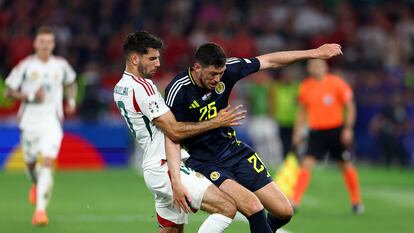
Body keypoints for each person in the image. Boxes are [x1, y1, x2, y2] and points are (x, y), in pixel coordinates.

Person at [165, 42, 342, 233]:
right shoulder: (178, 90)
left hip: (233, 150)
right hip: (203, 161)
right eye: (212, 74)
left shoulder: (229, 69)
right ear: (197, 67)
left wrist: (314, 53)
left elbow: (270, 60)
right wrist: (215, 122)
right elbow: (173, 132)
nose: (217, 79)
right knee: (254, 207)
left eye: (221, 73)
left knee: (284, 211)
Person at [113, 31, 247, 233]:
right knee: (226, 207)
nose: (158, 63)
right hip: (165, 165)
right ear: (134, 58)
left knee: (171, 230)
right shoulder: (144, 88)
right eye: (152, 58)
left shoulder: (121, 87)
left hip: (154, 165)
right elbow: (174, 131)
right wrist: (216, 121)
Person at [4, 26, 77, 226]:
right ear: (35, 44)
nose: (45, 46)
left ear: (53, 44)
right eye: (42, 42)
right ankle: (37, 185)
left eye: (49, 42)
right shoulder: (25, 66)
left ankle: (40, 212)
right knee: (29, 164)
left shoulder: (61, 65)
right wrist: (29, 96)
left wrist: (70, 101)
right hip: (29, 122)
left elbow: (71, 82)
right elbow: (8, 91)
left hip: (51, 122)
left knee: (46, 162)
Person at [291, 59, 364, 214]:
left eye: (319, 65)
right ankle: (295, 201)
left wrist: (348, 128)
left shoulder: (336, 83)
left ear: (325, 68)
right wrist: (298, 132)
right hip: (316, 132)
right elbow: (302, 111)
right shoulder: (305, 86)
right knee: (306, 164)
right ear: (309, 69)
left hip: (336, 130)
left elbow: (350, 106)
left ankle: (356, 202)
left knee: (346, 164)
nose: (316, 68)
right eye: (313, 66)